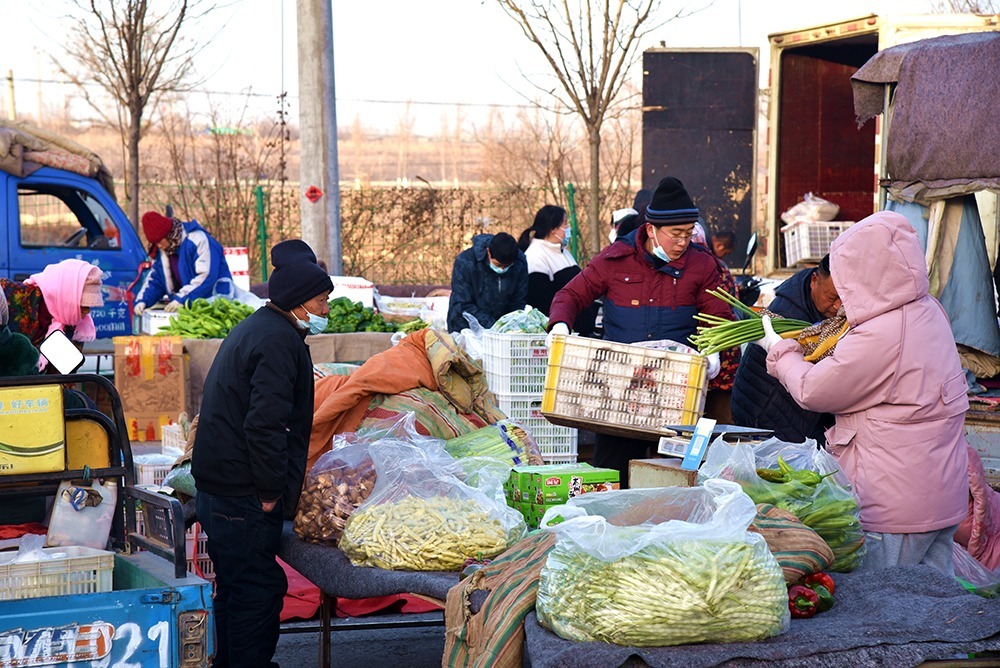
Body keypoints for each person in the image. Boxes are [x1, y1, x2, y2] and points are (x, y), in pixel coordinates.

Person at [757, 210, 969, 574]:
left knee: (882, 608)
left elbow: (813, 389)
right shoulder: (927, 308)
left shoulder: (882, 332)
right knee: (933, 607)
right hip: (938, 496)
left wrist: (779, 349)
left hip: (893, 508)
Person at [192, 239, 333, 668]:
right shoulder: (277, 342)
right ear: (299, 301)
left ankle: (230, 662)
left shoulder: (260, 327)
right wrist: (271, 492)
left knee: (235, 587)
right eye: (322, 300)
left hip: (221, 486)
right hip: (242, 493)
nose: (327, 309)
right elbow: (264, 425)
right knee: (256, 590)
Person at [546, 176, 734, 486]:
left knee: (671, 483)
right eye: (675, 234)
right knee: (611, 477)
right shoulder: (615, 260)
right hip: (618, 395)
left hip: (676, 395)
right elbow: (570, 295)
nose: (682, 243)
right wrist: (560, 325)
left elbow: (717, 315)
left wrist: (713, 352)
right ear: (650, 230)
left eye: (688, 234)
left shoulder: (701, 266)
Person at [730, 254, 840, 443]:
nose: (837, 305)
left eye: (843, 299)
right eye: (831, 297)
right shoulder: (787, 316)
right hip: (766, 418)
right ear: (814, 280)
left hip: (790, 420)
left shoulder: (815, 308)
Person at [133, 211, 232, 315]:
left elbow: (206, 276)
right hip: (189, 308)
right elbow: (156, 280)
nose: (158, 246)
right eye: (155, 243)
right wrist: (143, 300)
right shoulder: (164, 252)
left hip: (216, 304)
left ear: (168, 234)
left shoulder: (199, 240)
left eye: (159, 241)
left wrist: (182, 299)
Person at [518, 205, 596, 336]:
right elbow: (541, 302)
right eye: (565, 224)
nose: (568, 228)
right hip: (560, 331)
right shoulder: (535, 257)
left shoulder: (562, 251)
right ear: (552, 229)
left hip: (577, 330)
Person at [446, 232, 528, 333]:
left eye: (507, 266)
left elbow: (518, 301)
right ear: (488, 252)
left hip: (501, 326)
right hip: (465, 324)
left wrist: (509, 325)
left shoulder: (520, 262)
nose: (502, 269)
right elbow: (463, 303)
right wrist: (493, 326)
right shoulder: (466, 262)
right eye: (498, 265)